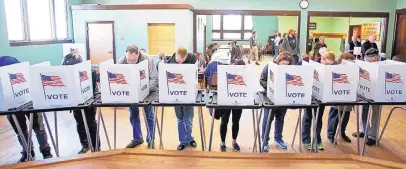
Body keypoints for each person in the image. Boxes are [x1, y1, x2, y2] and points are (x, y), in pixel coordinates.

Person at [0, 56, 53, 163]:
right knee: (21, 130)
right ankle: (28, 152)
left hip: (30, 100)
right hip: (10, 104)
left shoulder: (24, 73)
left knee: (38, 128)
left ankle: (45, 151)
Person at [117, 45, 158, 148]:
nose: (130, 62)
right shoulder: (122, 60)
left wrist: (146, 91)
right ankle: (137, 138)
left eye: (133, 60)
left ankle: (151, 139)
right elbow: (118, 77)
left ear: (138, 54)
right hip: (131, 91)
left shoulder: (148, 60)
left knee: (149, 115)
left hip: (147, 90)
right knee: (133, 115)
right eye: (128, 60)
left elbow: (154, 78)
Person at [61, 50, 100, 154]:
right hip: (75, 101)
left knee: (90, 123)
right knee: (80, 123)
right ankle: (85, 145)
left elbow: (92, 88)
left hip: (88, 100)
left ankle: (96, 147)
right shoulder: (65, 73)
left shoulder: (89, 71)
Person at [205, 60, 245, 152]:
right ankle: (222, 143)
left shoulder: (244, 74)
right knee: (224, 121)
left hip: (238, 100)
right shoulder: (227, 71)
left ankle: (234, 141)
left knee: (236, 121)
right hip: (227, 99)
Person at [302, 50, 338, 151]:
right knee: (308, 117)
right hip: (310, 94)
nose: (323, 61)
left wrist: (330, 64)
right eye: (322, 58)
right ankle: (306, 139)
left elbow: (337, 66)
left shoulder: (334, 66)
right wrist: (305, 59)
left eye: (326, 59)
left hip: (322, 97)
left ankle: (318, 139)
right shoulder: (315, 64)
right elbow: (300, 66)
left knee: (318, 118)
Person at [260, 52, 293, 152]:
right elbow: (262, 80)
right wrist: (271, 87)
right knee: (267, 119)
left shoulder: (291, 69)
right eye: (283, 64)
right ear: (278, 61)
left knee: (280, 118)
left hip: (283, 97)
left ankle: (278, 138)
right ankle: (265, 141)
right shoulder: (269, 67)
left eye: (287, 65)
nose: (284, 67)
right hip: (270, 97)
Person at [167, 47, 197, 151]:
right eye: (178, 61)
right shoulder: (170, 61)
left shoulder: (192, 58)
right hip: (176, 93)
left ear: (187, 56)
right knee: (180, 119)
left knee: (188, 118)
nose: (180, 63)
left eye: (182, 61)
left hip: (188, 92)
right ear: (176, 55)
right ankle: (182, 141)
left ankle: (189, 138)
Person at [352, 48, 381, 146]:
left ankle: (372, 136)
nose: (367, 59)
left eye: (369, 58)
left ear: (374, 58)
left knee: (376, 114)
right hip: (365, 91)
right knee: (363, 111)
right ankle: (364, 130)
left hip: (378, 93)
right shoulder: (365, 64)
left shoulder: (382, 66)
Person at [327, 53, 356, 144]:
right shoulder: (335, 69)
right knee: (334, 116)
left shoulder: (353, 71)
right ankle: (331, 134)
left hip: (348, 96)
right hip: (337, 96)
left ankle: (342, 133)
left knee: (346, 116)